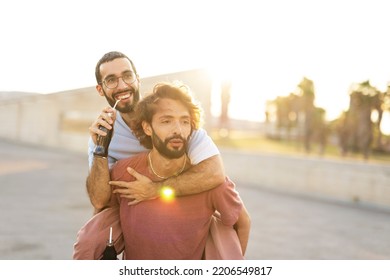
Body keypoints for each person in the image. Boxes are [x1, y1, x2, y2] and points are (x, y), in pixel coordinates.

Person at [92, 82, 250, 259]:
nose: (178, 130)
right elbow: (100, 219)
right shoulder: (125, 172)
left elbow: (242, 223)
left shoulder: (210, 181)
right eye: (166, 121)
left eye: (184, 121)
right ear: (147, 127)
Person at [87, 51, 225, 211]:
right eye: (111, 80)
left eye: (127, 76)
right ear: (100, 89)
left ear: (137, 79)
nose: (123, 85)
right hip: (132, 214)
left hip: (181, 209)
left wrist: (155, 189)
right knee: (94, 229)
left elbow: (215, 173)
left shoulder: (175, 118)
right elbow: (99, 201)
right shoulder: (102, 135)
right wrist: (100, 150)